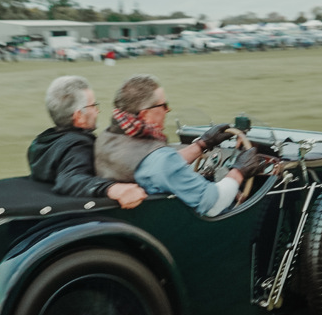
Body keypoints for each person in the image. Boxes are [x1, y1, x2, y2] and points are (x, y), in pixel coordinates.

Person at [94, 74, 266, 217]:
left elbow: (156, 169)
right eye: (164, 106)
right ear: (145, 115)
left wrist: (202, 145)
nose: (168, 110)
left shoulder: (107, 139)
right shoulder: (159, 160)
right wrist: (239, 171)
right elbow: (213, 205)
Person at [28, 76, 148, 209]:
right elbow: (69, 179)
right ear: (79, 116)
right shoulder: (78, 145)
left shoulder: (43, 143)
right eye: (93, 106)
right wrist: (112, 188)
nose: (97, 111)